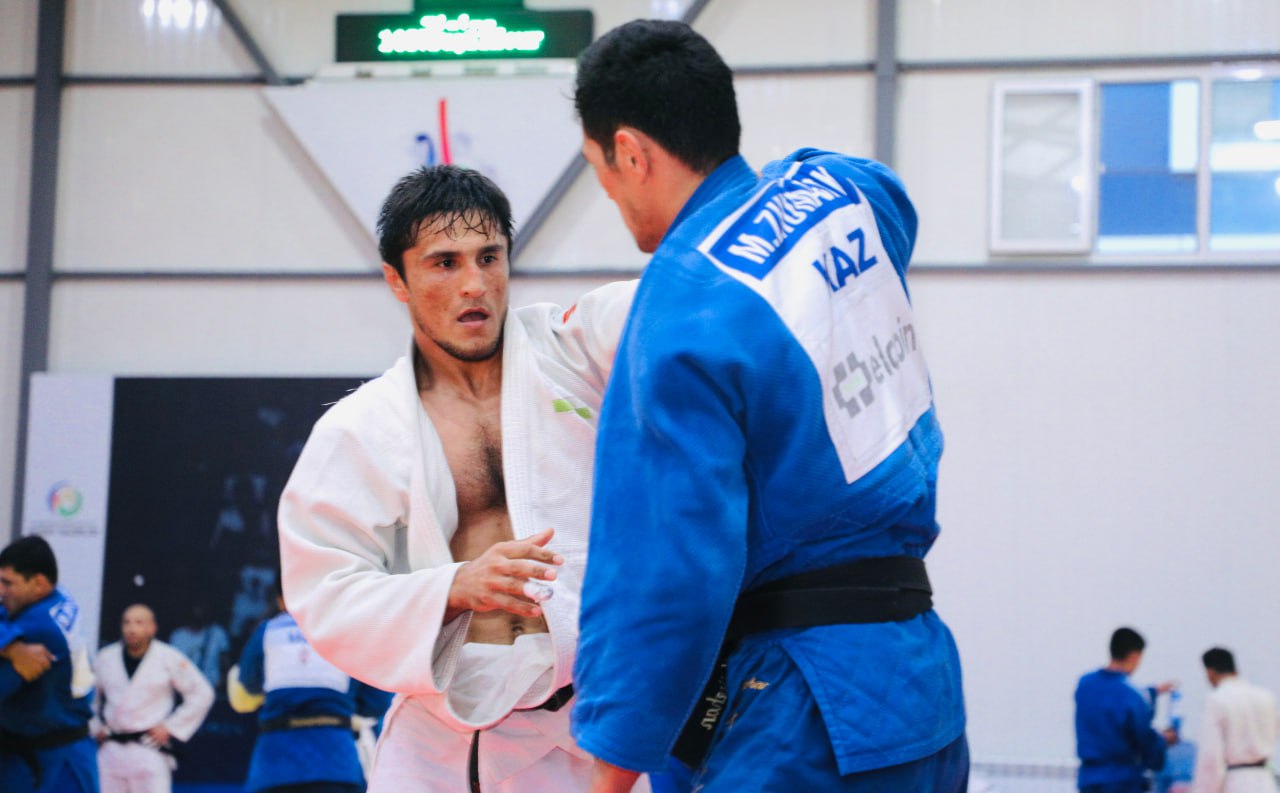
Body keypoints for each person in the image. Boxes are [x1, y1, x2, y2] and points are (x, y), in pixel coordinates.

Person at [569, 19, 967, 793]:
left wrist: (607, 773)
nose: (609, 193)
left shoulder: (679, 316)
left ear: (630, 153)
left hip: (798, 715)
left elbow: (666, 576)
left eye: (599, 169)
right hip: (920, 688)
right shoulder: (843, 190)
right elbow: (891, 198)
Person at [277, 165, 639, 791]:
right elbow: (325, 592)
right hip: (445, 741)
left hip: (597, 715)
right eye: (444, 263)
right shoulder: (362, 429)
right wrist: (453, 586)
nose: (475, 284)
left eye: (488, 257)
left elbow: (676, 300)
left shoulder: (574, 353)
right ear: (397, 279)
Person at [228, 584, 392, 793]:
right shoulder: (349, 633)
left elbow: (248, 685)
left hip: (275, 765)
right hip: (334, 763)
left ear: (281, 600)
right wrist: (343, 702)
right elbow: (376, 703)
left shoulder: (267, 632)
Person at [0, 535, 99, 792]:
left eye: (8, 583)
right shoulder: (58, 598)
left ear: (39, 583)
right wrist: (10, 646)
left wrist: (9, 645)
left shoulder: (39, 628)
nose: (0, 591)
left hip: (52, 765)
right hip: (45, 753)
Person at [93, 604, 214, 793]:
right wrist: (95, 726)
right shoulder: (105, 657)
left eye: (139, 623)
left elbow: (202, 692)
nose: (132, 628)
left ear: (152, 628)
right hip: (112, 748)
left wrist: (170, 726)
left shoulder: (168, 657)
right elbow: (86, 697)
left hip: (149, 748)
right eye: (127, 623)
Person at [1075, 627, 1177, 793]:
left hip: (1089, 779)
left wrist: (1154, 691)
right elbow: (1145, 740)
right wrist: (1164, 739)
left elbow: (1108, 701)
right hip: (1122, 781)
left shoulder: (1085, 684)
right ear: (1134, 656)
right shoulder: (1132, 695)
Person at [1190, 647, 1280, 793]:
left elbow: (1211, 758)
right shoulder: (1266, 697)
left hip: (1235, 781)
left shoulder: (1216, 700)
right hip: (1266, 780)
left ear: (1210, 672)